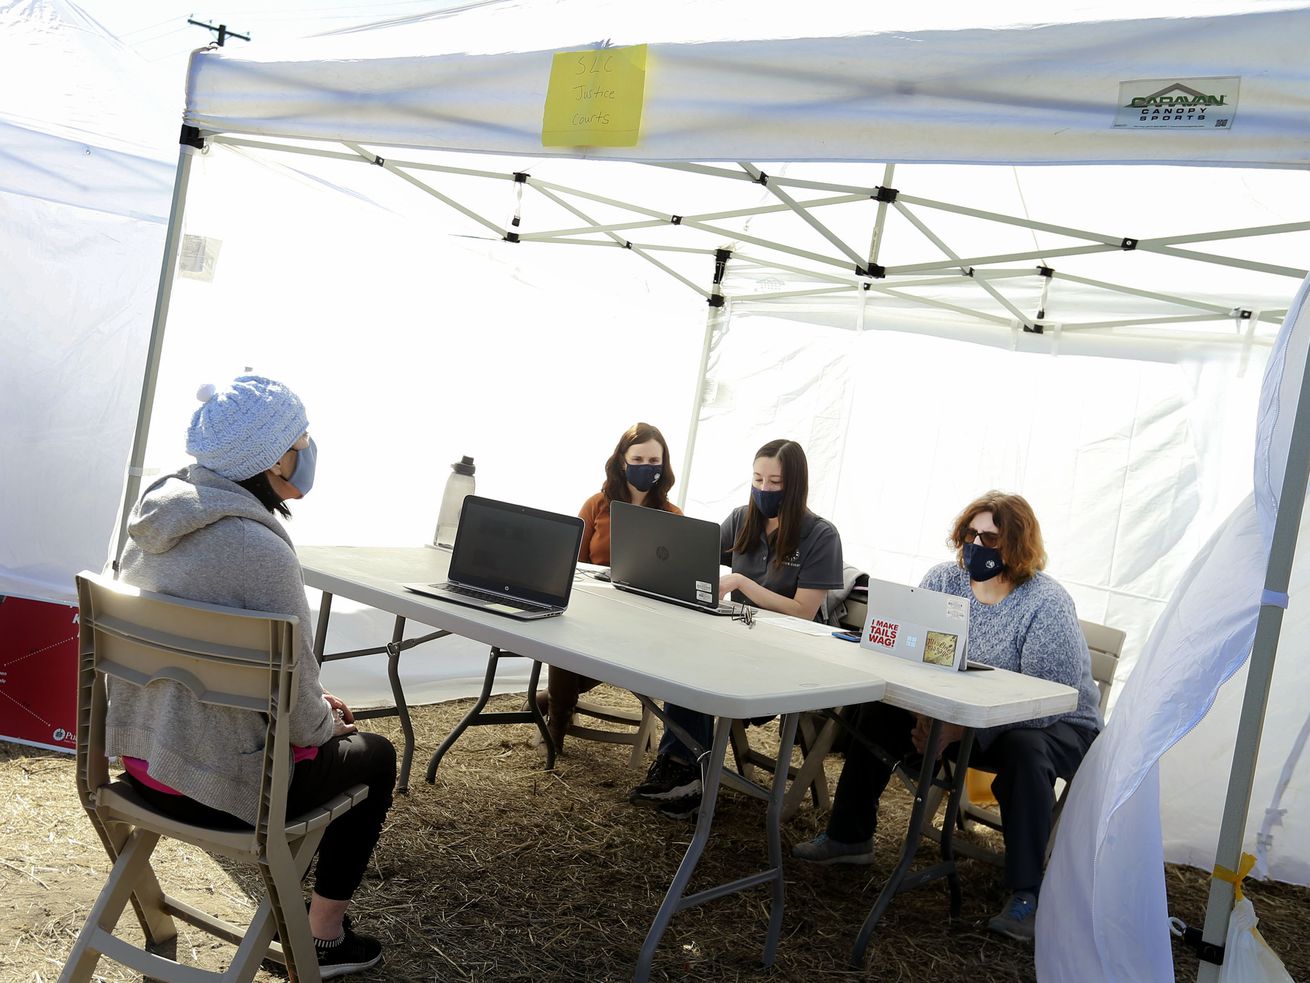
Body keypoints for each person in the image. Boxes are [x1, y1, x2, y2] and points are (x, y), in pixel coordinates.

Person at [108, 375, 395, 978]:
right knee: (375, 755)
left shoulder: (154, 522)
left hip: (141, 763)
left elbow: (208, 670)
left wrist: (304, 702)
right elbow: (302, 719)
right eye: (302, 438)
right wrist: (324, 720)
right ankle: (322, 936)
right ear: (271, 457)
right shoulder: (259, 549)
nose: (310, 449)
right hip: (216, 784)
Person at [792, 491, 1102, 943]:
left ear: (1017, 543)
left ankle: (1026, 895)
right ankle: (849, 837)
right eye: (970, 533)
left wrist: (957, 729)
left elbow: (1046, 700)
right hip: (960, 712)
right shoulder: (944, 580)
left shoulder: (1045, 603)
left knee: (1024, 750)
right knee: (878, 707)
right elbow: (913, 654)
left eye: (991, 537)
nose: (976, 544)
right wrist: (925, 714)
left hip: (1053, 725)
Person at [628, 438, 843, 819]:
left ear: (795, 485)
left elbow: (803, 612)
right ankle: (682, 769)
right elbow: (693, 559)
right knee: (685, 656)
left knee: (698, 666)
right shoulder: (741, 519)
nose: (764, 489)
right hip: (738, 637)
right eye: (758, 478)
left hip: (789, 653)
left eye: (775, 482)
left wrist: (742, 582)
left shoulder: (820, 536)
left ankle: (686, 774)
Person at [540, 422, 682, 751]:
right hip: (589, 607)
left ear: (664, 464)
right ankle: (556, 724)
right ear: (622, 461)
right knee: (564, 636)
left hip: (637, 616)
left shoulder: (672, 515)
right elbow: (571, 562)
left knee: (589, 645)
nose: (647, 468)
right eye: (638, 459)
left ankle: (552, 705)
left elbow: (671, 576)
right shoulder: (597, 505)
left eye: (654, 461)